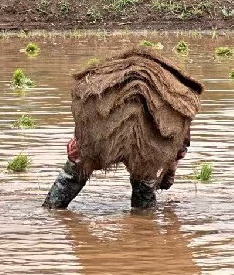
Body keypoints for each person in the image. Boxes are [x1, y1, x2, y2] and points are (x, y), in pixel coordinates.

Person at [42, 48, 201, 210]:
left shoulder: (104, 88)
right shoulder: (174, 98)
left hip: (112, 139)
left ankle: (50, 212)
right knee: (144, 196)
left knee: (69, 180)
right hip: (145, 148)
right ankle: (144, 229)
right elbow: (179, 143)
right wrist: (169, 174)